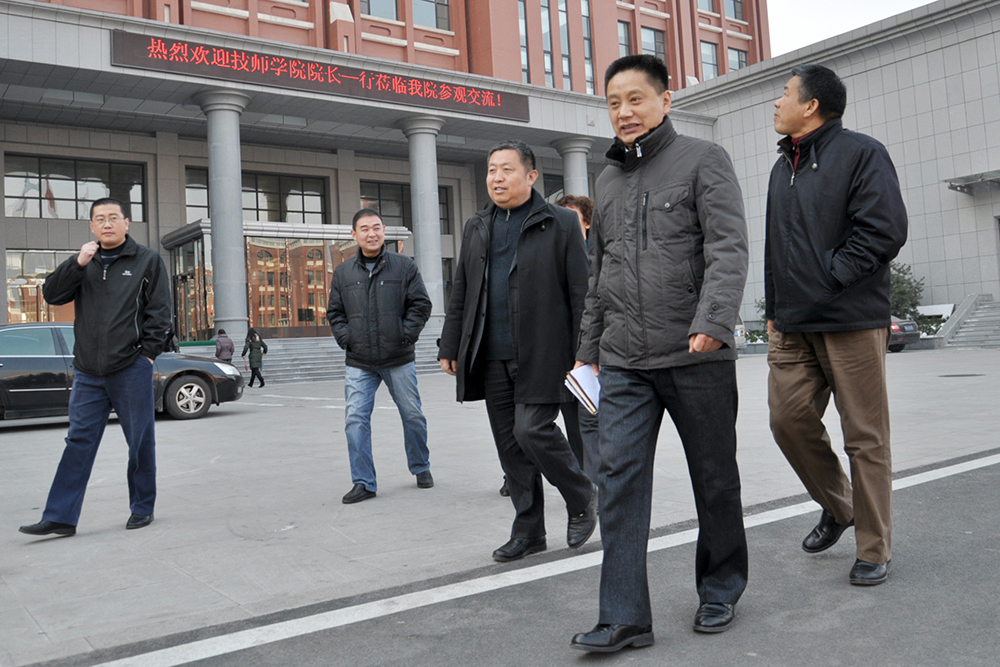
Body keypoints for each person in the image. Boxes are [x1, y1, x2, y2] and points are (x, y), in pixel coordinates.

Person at [570, 55, 749, 652]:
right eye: (614, 102)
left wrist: (714, 321)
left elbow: (728, 247)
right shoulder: (606, 180)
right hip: (624, 359)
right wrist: (588, 350)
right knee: (618, 483)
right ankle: (624, 616)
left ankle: (720, 587)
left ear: (665, 101)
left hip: (695, 353)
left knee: (714, 478)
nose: (624, 112)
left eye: (636, 99)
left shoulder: (703, 159)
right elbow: (599, 273)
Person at [765, 64, 907, 587]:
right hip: (793, 324)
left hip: (850, 320)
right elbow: (775, 246)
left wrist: (830, 278)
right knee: (787, 420)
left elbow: (884, 229)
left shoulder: (862, 153)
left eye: (784, 94)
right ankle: (842, 506)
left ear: (811, 105)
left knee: (864, 437)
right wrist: (775, 309)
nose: (776, 102)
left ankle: (874, 548)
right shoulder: (782, 167)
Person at [438, 140, 597, 563]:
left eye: (506, 169)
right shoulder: (477, 225)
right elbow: (462, 290)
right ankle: (529, 531)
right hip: (490, 354)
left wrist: (586, 349)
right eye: (492, 170)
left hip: (544, 352)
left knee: (531, 430)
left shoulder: (561, 222)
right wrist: (451, 344)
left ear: (531, 176)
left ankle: (581, 494)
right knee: (510, 448)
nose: (497, 178)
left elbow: (581, 293)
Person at [19, 197, 171, 537]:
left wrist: (147, 355)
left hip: (130, 368)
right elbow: (52, 295)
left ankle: (142, 507)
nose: (107, 223)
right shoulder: (84, 261)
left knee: (140, 442)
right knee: (78, 442)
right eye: (100, 219)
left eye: (113, 217)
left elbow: (160, 312)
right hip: (88, 372)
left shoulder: (147, 260)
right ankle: (60, 516)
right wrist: (77, 263)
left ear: (126, 223)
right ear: (91, 226)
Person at [327, 208, 433, 504]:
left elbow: (421, 305)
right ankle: (364, 482)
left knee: (412, 415)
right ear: (354, 234)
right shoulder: (343, 273)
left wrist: (405, 335)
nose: (371, 233)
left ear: (384, 231)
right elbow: (335, 312)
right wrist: (347, 339)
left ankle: (420, 465)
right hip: (359, 361)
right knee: (355, 419)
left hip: (398, 357)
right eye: (364, 229)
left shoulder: (404, 266)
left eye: (376, 227)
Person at [555, 194, 599, 483]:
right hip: (554, 352)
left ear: (587, 223)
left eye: (572, 218)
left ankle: (591, 482)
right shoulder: (548, 258)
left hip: (586, 353)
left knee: (586, 420)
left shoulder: (597, 257)